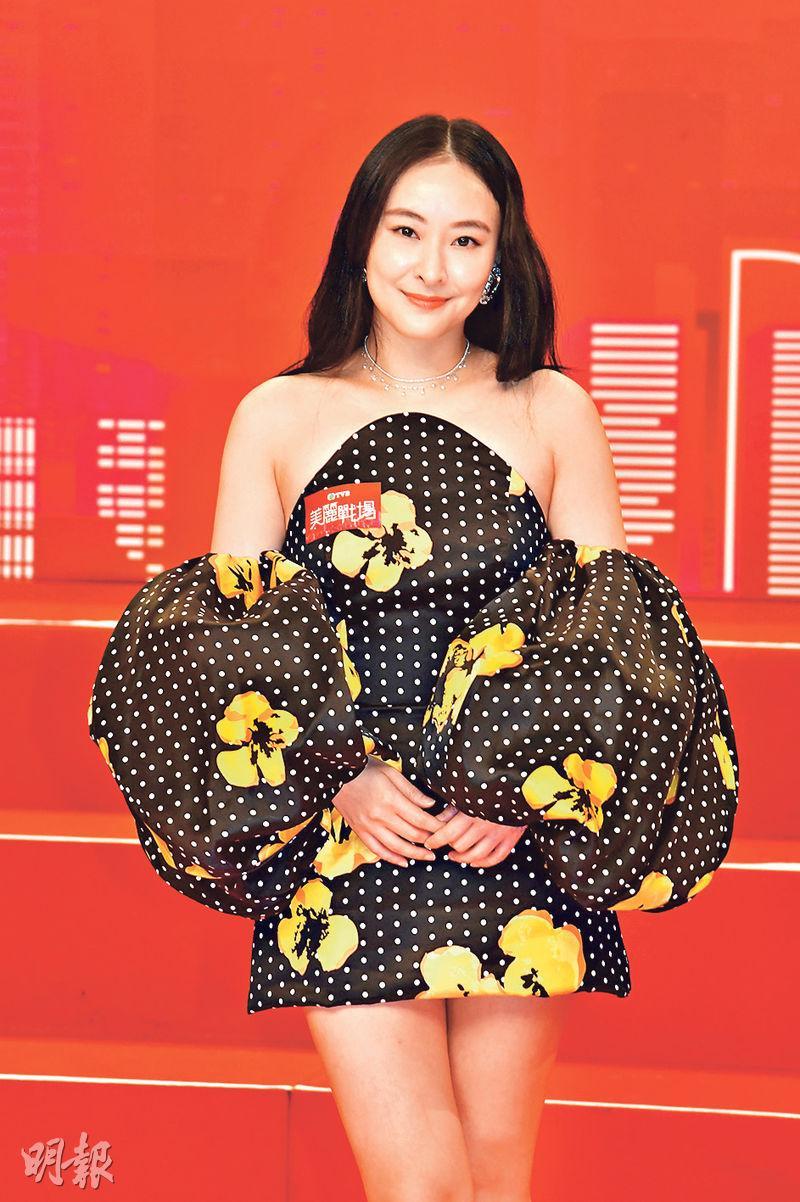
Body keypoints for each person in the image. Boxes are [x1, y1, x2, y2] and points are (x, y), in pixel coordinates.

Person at [209, 114, 632, 1202]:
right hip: (349, 835)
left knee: (493, 1182)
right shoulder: (278, 415)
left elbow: (606, 640)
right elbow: (237, 645)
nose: (430, 266)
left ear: (498, 261)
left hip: (511, 844)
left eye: (464, 239)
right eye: (406, 230)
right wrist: (340, 780)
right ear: (361, 237)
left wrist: (525, 794)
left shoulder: (551, 409)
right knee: (421, 1186)